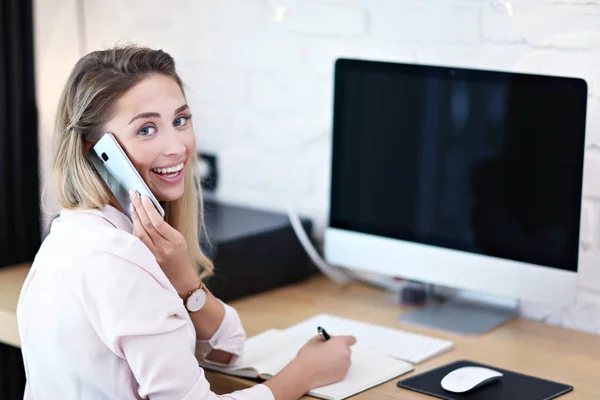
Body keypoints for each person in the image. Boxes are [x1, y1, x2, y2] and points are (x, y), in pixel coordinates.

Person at [16, 45, 357, 400]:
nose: (177, 147)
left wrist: (184, 280)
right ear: (97, 152)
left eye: (180, 120)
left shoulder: (72, 232)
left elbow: (230, 349)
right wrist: (304, 373)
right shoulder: (117, 259)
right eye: (147, 129)